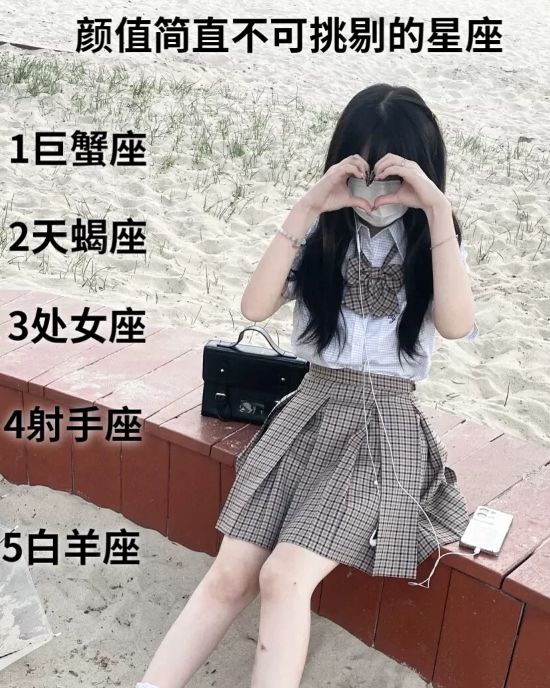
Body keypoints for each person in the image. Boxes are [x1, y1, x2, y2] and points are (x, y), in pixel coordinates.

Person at [136, 83, 479, 688]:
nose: (375, 196)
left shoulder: (434, 245)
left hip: (382, 432)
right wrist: (308, 207)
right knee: (230, 573)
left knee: (284, 577)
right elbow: (254, 306)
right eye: (362, 176)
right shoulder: (324, 235)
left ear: (422, 173)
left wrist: (436, 210)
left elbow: (455, 325)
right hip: (309, 414)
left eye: (392, 178)